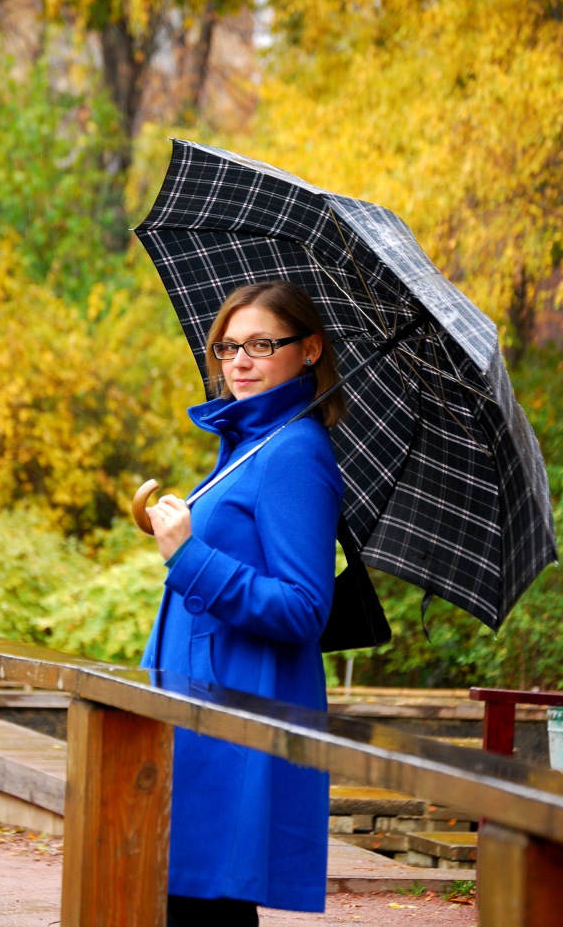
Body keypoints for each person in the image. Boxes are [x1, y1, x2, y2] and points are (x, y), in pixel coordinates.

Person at [141, 280, 345, 926]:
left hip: (231, 715)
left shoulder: (294, 452)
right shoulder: (247, 446)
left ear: (309, 349)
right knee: (184, 901)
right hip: (197, 708)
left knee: (205, 905)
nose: (239, 363)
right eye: (227, 348)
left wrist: (188, 556)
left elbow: (304, 607)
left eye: (261, 345)